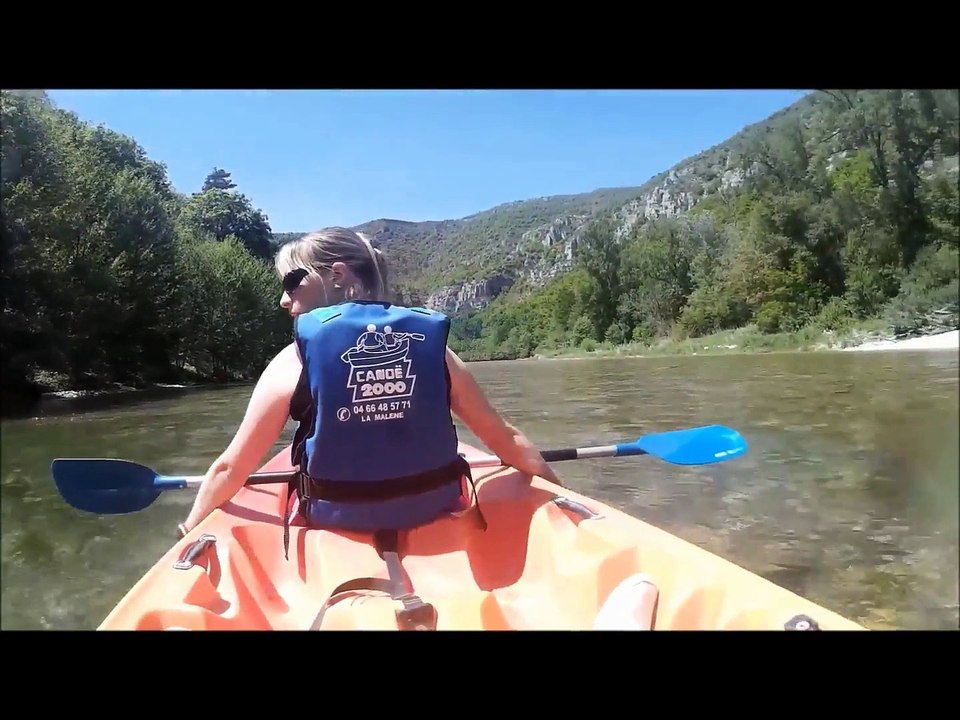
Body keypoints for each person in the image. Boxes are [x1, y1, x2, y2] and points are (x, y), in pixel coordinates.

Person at [177, 226, 561, 553]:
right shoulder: (434, 350)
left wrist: (187, 531)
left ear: (337, 275)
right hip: (435, 510)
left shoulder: (293, 360)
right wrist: (560, 494)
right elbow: (504, 438)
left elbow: (231, 468)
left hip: (335, 523)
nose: (283, 299)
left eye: (292, 282)